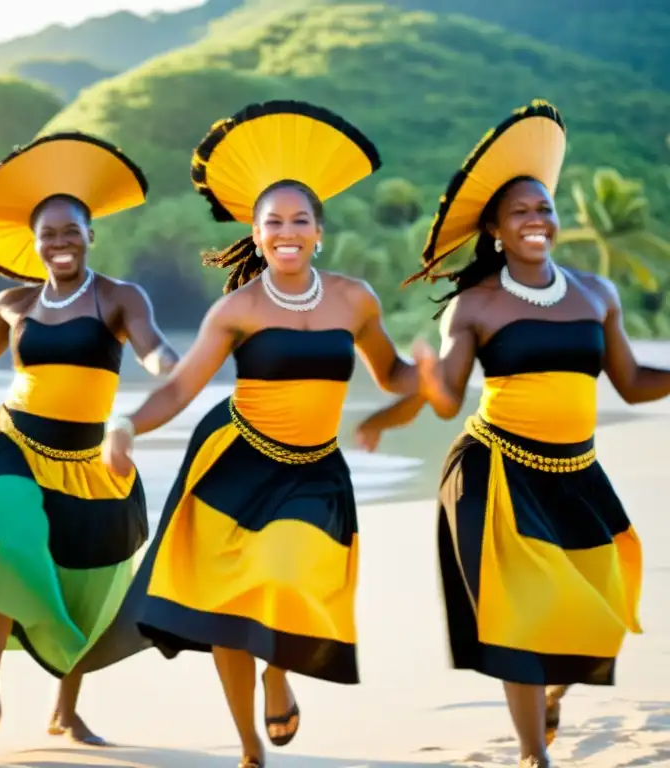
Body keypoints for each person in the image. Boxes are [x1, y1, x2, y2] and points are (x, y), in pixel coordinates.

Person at [97, 100, 445, 768]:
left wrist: (422, 375)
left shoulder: (355, 299)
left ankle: (277, 674)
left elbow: (392, 373)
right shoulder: (238, 309)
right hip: (238, 461)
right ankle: (250, 746)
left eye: (300, 220)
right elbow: (179, 386)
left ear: (319, 232)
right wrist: (125, 424)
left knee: (286, 575)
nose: (287, 232)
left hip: (313, 470)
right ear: (255, 236)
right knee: (226, 608)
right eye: (273, 222)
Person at [354, 100, 658, 768]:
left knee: (603, 611)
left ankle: (552, 694)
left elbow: (632, 381)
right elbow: (445, 398)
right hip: (494, 471)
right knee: (519, 617)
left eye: (544, 207)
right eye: (520, 211)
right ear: (494, 227)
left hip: (576, 471)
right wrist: (419, 387)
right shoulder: (477, 304)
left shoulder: (596, 292)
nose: (536, 220)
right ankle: (531, 755)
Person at [0, 132, 179, 749]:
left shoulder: (118, 297)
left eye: (70, 229)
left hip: (86, 459)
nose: (59, 242)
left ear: (90, 233)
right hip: (11, 444)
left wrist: (169, 368)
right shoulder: (12, 303)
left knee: (86, 583)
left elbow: (154, 347)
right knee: (4, 541)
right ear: (34, 243)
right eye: (48, 233)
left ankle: (65, 710)